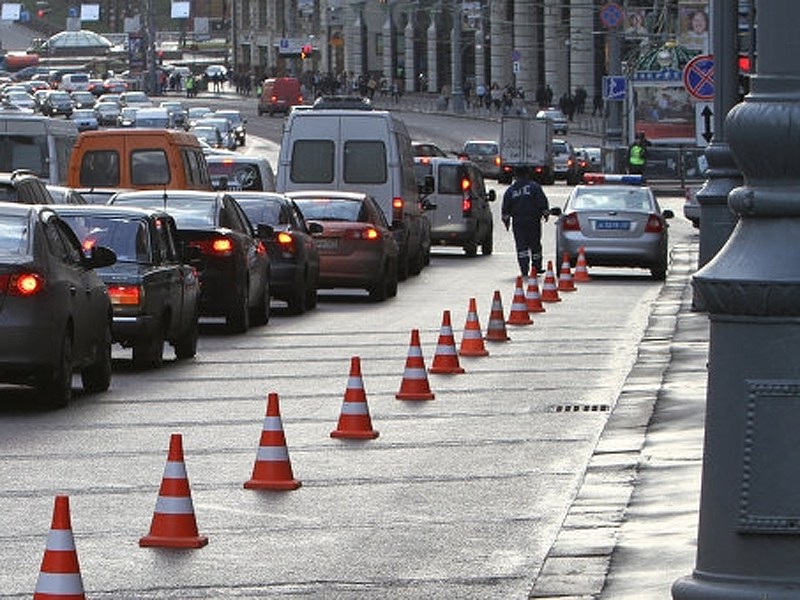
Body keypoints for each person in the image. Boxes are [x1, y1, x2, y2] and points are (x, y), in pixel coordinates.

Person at [501, 166, 550, 277]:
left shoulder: (511, 190)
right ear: (528, 174)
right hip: (533, 220)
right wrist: (545, 213)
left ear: (516, 175)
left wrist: (506, 221)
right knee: (535, 245)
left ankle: (524, 269)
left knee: (521, 246)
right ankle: (536, 267)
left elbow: (505, 209)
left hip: (518, 222)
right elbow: (542, 203)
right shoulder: (534, 187)